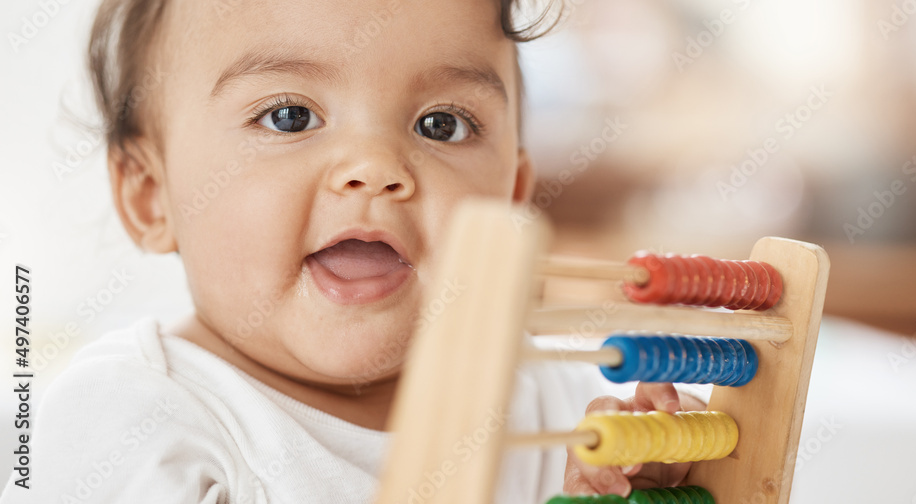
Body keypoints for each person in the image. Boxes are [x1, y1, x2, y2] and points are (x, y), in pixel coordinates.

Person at [0, 0, 705, 502]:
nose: (375, 166)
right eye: (290, 116)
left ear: (513, 199)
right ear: (152, 196)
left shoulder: (559, 403)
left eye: (442, 123)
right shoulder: (130, 424)